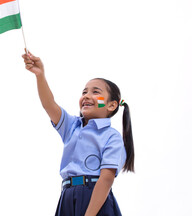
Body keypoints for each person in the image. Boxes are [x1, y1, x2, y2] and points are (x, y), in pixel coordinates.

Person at [22, 50, 135, 216]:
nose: (87, 96)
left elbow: (106, 178)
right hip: (67, 196)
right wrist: (40, 75)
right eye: (84, 92)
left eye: (96, 92)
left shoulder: (112, 137)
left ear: (111, 105)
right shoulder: (72, 126)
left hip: (95, 199)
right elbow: (49, 104)